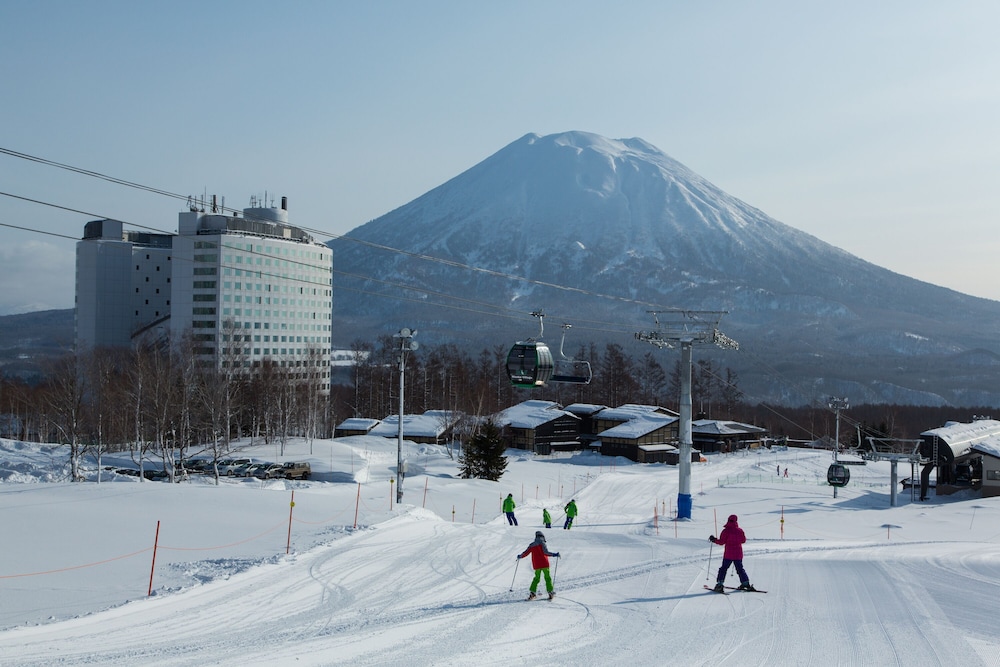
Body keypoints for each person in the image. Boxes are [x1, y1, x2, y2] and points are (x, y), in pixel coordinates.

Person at [709, 514, 755, 592]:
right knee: (740, 569)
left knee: (723, 569)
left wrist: (714, 540)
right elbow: (743, 540)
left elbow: (721, 542)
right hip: (738, 554)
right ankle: (745, 583)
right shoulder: (740, 530)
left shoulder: (726, 531)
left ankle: (720, 584)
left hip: (728, 554)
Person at [517, 530, 560, 600]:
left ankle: (532, 593)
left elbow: (526, 552)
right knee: (547, 578)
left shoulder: (532, 545)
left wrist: (520, 556)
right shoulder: (542, 543)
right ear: (542, 537)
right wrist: (554, 554)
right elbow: (546, 552)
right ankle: (550, 592)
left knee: (536, 578)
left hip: (537, 565)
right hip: (544, 564)